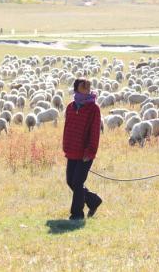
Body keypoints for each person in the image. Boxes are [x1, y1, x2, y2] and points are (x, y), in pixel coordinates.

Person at [62, 78, 102, 220]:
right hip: (72, 150)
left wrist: (90, 151)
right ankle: (93, 200)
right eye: (83, 86)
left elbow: (95, 131)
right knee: (70, 181)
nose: (86, 88)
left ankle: (77, 214)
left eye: (88, 86)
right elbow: (67, 128)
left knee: (78, 182)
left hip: (85, 152)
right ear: (76, 89)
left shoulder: (93, 108)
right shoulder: (71, 107)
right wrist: (65, 145)